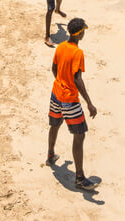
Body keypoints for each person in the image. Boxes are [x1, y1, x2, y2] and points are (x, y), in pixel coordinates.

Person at [45, 17, 98, 191]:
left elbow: (54, 68)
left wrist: (61, 82)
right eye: (83, 31)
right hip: (69, 99)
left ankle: (50, 155)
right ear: (80, 33)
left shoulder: (60, 46)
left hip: (56, 94)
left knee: (55, 124)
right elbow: (78, 79)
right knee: (80, 134)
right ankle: (80, 178)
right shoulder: (78, 53)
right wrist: (89, 103)